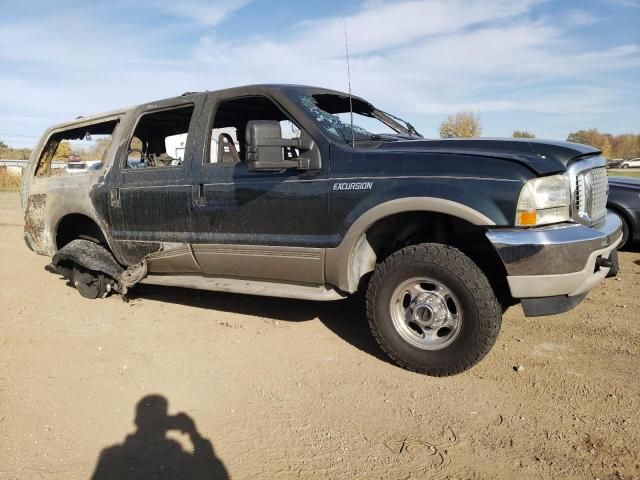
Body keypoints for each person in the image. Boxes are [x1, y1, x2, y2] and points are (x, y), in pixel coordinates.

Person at [91, 395, 228, 480]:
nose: (153, 423)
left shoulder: (114, 457)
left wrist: (194, 435)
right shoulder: (179, 460)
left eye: (156, 418)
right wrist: (194, 435)